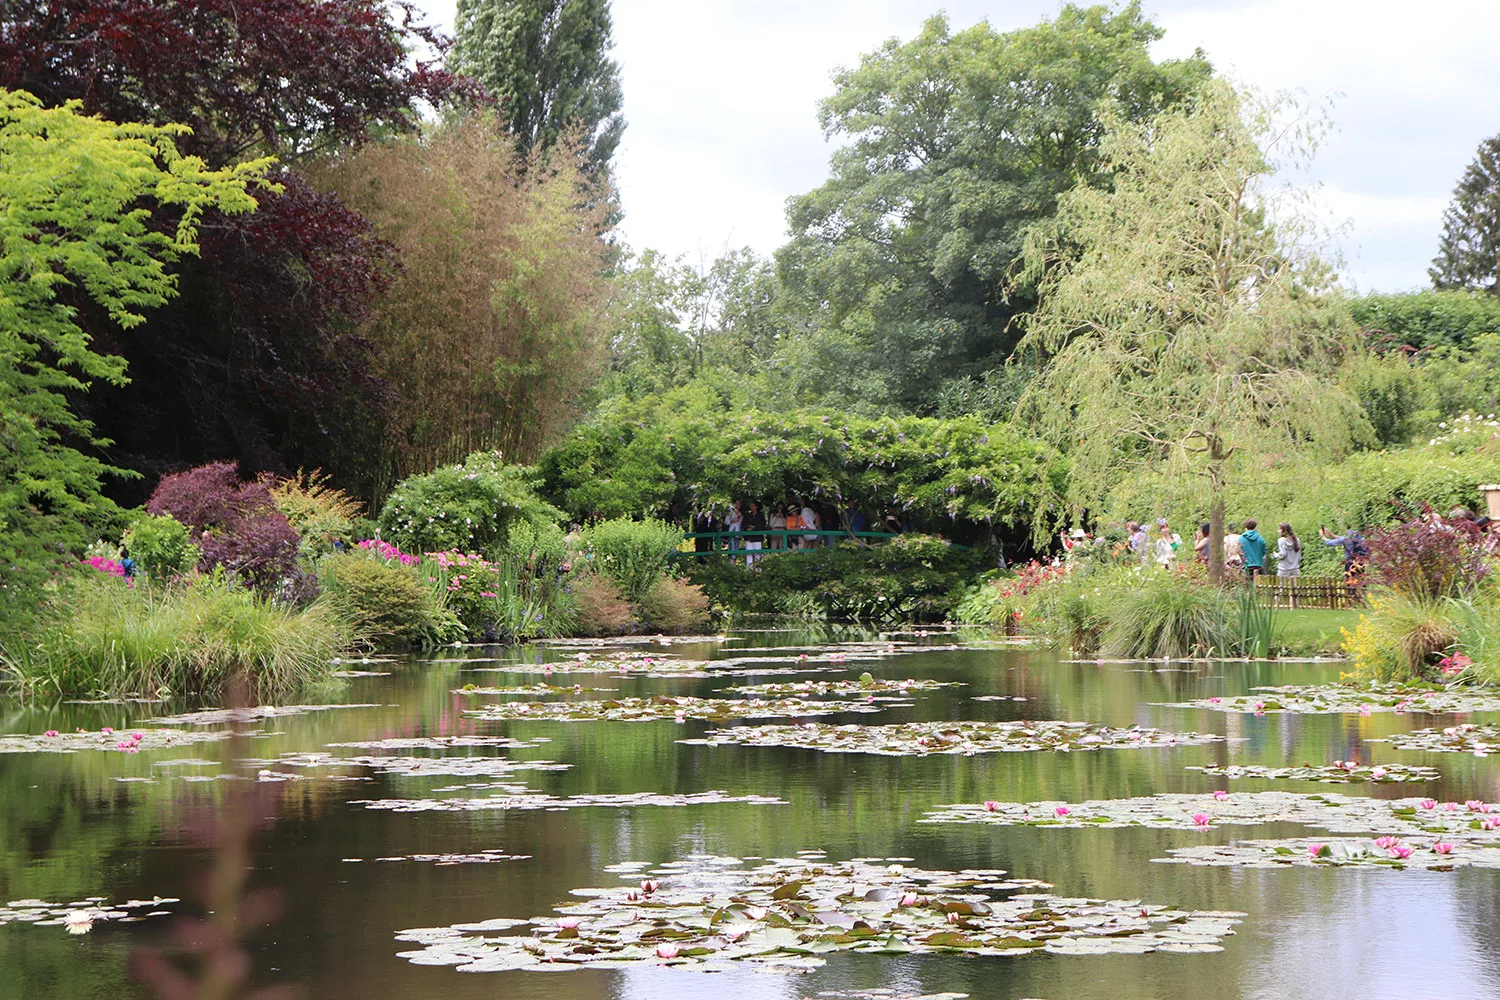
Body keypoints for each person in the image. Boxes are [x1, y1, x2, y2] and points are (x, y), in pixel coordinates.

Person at [1320, 525, 1370, 592]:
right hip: (1360, 562)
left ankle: (1351, 596)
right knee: (1361, 580)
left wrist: (1322, 536)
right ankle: (1364, 594)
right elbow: (1338, 537)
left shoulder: (1345, 540)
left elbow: (1329, 543)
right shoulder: (1360, 538)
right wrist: (1329, 533)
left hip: (1350, 564)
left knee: (1350, 582)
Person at [1274, 522, 1302, 608]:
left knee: (1281, 587)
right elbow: (1300, 556)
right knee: (1295, 588)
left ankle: (1277, 605)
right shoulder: (1296, 540)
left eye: (1279, 529)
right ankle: (1294, 605)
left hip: (1284, 568)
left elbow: (1282, 554)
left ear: (1283, 530)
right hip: (1295, 568)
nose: (1278, 531)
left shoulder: (1281, 540)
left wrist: (1276, 555)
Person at [743, 501, 767, 567]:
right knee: (749, 555)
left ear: (757, 507)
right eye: (751, 506)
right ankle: (749, 570)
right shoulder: (747, 515)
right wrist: (748, 527)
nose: (752, 507)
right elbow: (743, 525)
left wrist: (755, 527)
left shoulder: (761, 515)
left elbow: (762, 525)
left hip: (757, 538)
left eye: (753, 506)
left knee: (757, 555)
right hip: (749, 537)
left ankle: (758, 571)